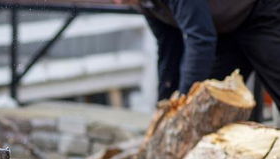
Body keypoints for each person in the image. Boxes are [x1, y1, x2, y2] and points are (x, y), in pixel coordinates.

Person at [117, 0, 280, 106]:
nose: (118, 2)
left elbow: (199, 39)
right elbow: (168, 48)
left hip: (259, 12)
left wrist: (187, 97)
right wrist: (165, 103)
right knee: (211, 103)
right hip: (222, 29)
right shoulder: (142, 3)